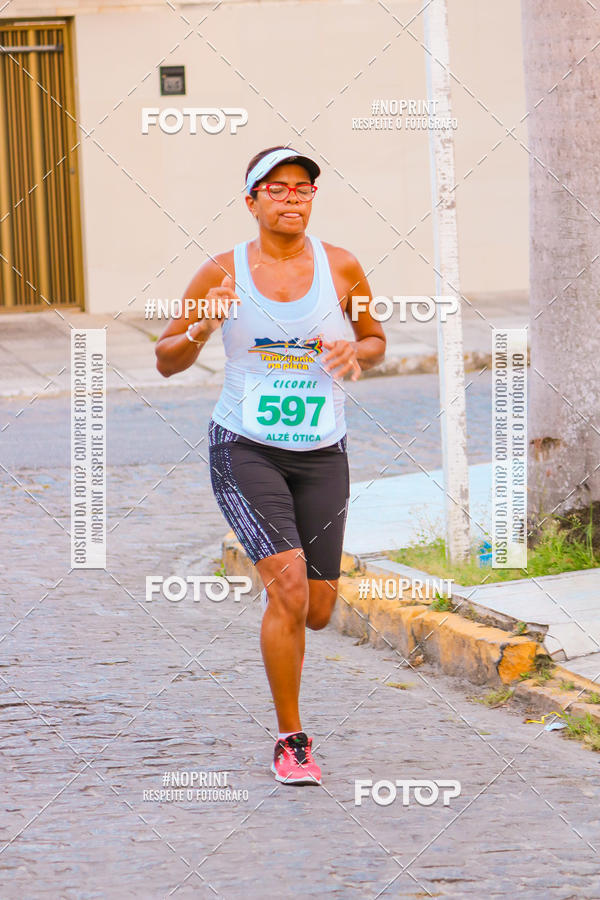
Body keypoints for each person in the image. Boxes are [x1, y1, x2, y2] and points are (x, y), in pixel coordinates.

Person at [155, 146, 385, 785]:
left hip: (322, 451)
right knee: (286, 590)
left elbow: (376, 338)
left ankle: (295, 672)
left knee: (316, 607)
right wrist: (204, 327)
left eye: (303, 189)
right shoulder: (220, 272)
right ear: (251, 200)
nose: (292, 199)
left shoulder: (341, 267)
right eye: (277, 189)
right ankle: (292, 740)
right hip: (245, 447)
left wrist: (355, 349)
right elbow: (165, 358)